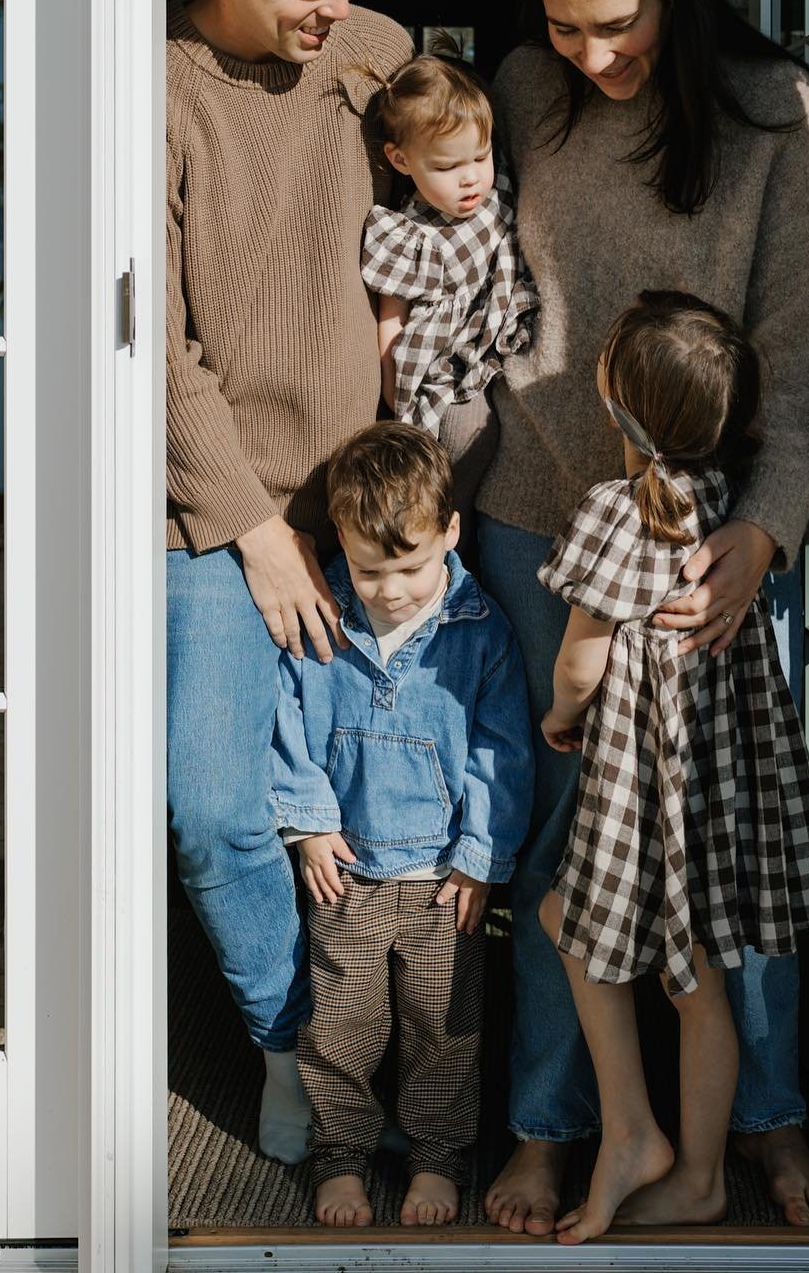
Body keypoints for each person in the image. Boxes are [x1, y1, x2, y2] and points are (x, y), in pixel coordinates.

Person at [478, 0, 809, 1233]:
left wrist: (763, 528)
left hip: (707, 538)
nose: (592, 55)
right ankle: (549, 1123)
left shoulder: (766, 108)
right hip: (540, 513)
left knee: (724, 850)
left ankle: (763, 1118)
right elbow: (477, 280)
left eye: (616, 25)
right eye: (567, 27)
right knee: (558, 834)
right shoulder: (525, 88)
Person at [166, 0, 413, 1163]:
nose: (336, 11)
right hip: (217, 516)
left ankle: (405, 1062)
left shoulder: (373, 53)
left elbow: (459, 200)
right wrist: (257, 529)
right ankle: (288, 1041)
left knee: (400, 807)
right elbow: (148, 340)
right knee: (214, 810)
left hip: (380, 505)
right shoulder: (160, 83)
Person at [534, 292, 809, 1241]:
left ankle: (634, 1133)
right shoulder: (724, 501)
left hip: (644, 783)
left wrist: (559, 714)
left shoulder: (616, 514)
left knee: (572, 922)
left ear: (613, 401)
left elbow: (583, 657)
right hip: (721, 778)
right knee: (698, 968)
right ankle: (697, 1170)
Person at [272, 423, 534, 1227]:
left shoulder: (479, 633)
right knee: (341, 1029)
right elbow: (285, 721)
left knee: (443, 1030)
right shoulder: (324, 622)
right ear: (340, 547)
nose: (390, 590)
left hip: (441, 885)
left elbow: (501, 752)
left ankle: (436, 1156)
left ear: (451, 533)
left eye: (412, 567)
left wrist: (481, 858)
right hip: (346, 872)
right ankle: (341, 1154)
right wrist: (310, 825)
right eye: (369, 568)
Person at [362, 42, 538, 522]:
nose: (470, 180)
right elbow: (391, 313)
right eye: (446, 167)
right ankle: (443, 527)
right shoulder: (408, 234)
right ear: (401, 161)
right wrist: (393, 385)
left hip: (494, 340)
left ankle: (458, 530)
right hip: (441, 362)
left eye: (478, 158)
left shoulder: (495, 187)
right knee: (464, 438)